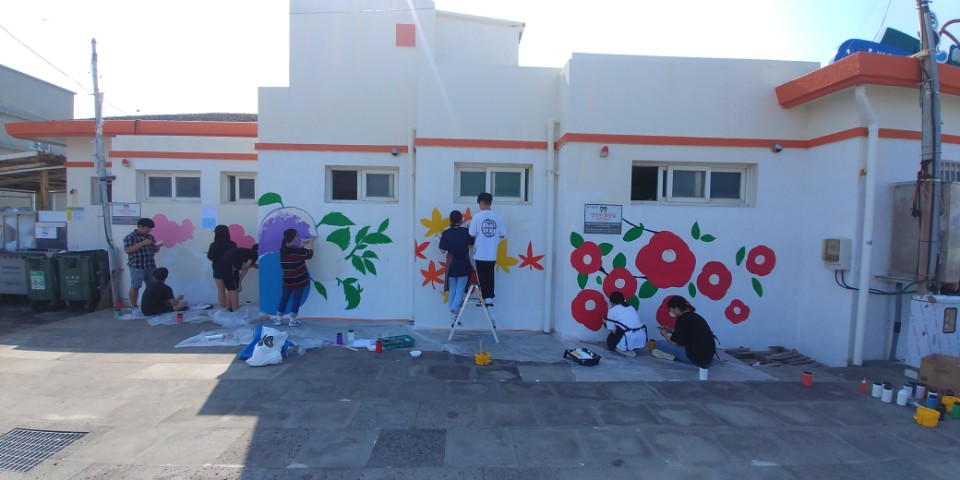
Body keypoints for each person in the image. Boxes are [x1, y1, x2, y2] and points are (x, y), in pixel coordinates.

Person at [652, 295, 717, 367]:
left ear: (676, 308)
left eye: (670, 309)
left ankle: (671, 355)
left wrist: (664, 334)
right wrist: (670, 331)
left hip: (695, 358)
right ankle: (672, 355)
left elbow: (674, 342)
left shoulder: (682, 319)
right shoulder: (695, 316)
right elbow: (687, 334)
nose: (670, 312)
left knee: (659, 343)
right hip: (708, 358)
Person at [468, 192, 506, 307]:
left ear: (482, 203)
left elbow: (471, 233)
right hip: (492, 252)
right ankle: (489, 296)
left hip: (480, 252)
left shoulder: (477, 216)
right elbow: (503, 234)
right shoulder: (498, 217)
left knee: (482, 276)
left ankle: (486, 298)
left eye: (479, 203)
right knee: (490, 275)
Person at [275, 229, 315, 327]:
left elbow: (296, 255)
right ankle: (292, 321)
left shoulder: (283, 250)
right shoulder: (298, 251)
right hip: (299, 280)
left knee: (284, 298)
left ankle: (278, 320)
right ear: (295, 237)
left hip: (287, 280)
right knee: (296, 300)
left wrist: (301, 245)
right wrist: (311, 242)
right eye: (297, 235)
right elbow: (309, 254)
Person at [439, 210, 473, 321]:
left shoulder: (446, 233)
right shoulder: (466, 232)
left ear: (450, 220)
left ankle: (452, 312)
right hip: (463, 263)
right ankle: (454, 311)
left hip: (451, 265)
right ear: (461, 219)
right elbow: (472, 242)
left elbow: (442, 251)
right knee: (460, 289)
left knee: (452, 289)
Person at [123, 217, 162, 309]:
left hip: (150, 265)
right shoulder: (130, 237)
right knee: (135, 286)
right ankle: (134, 307)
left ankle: (151, 305)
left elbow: (154, 250)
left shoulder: (150, 236)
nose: (149, 230)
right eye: (148, 228)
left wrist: (157, 247)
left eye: (150, 229)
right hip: (137, 266)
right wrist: (142, 243)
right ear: (141, 226)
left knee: (152, 286)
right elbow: (128, 250)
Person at [216, 244, 259, 312]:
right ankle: (236, 312)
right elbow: (246, 267)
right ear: (258, 250)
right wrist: (239, 283)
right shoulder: (255, 254)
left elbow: (244, 267)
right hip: (229, 264)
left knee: (231, 289)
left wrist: (239, 282)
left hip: (223, 263)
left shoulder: (247, 253)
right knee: (234, 290)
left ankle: (228, 308)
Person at [604, 291, 647, 357]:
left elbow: (613, 330)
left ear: (611, 302)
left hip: (628, 339)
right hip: (640, 338)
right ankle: (634, 347)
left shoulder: (612, 310)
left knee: (610, 339)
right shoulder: (631, 307)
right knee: (622, 329)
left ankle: (621, 350)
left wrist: (606, 322)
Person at [207, 225, 237, 308]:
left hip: (217, 268)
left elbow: (210, 257)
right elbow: (235, 257)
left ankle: (222, 310)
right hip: (229, 269)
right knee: (232, 290)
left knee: (221, 290)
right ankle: (234, 309)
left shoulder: (213, 245)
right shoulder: (232, 244)